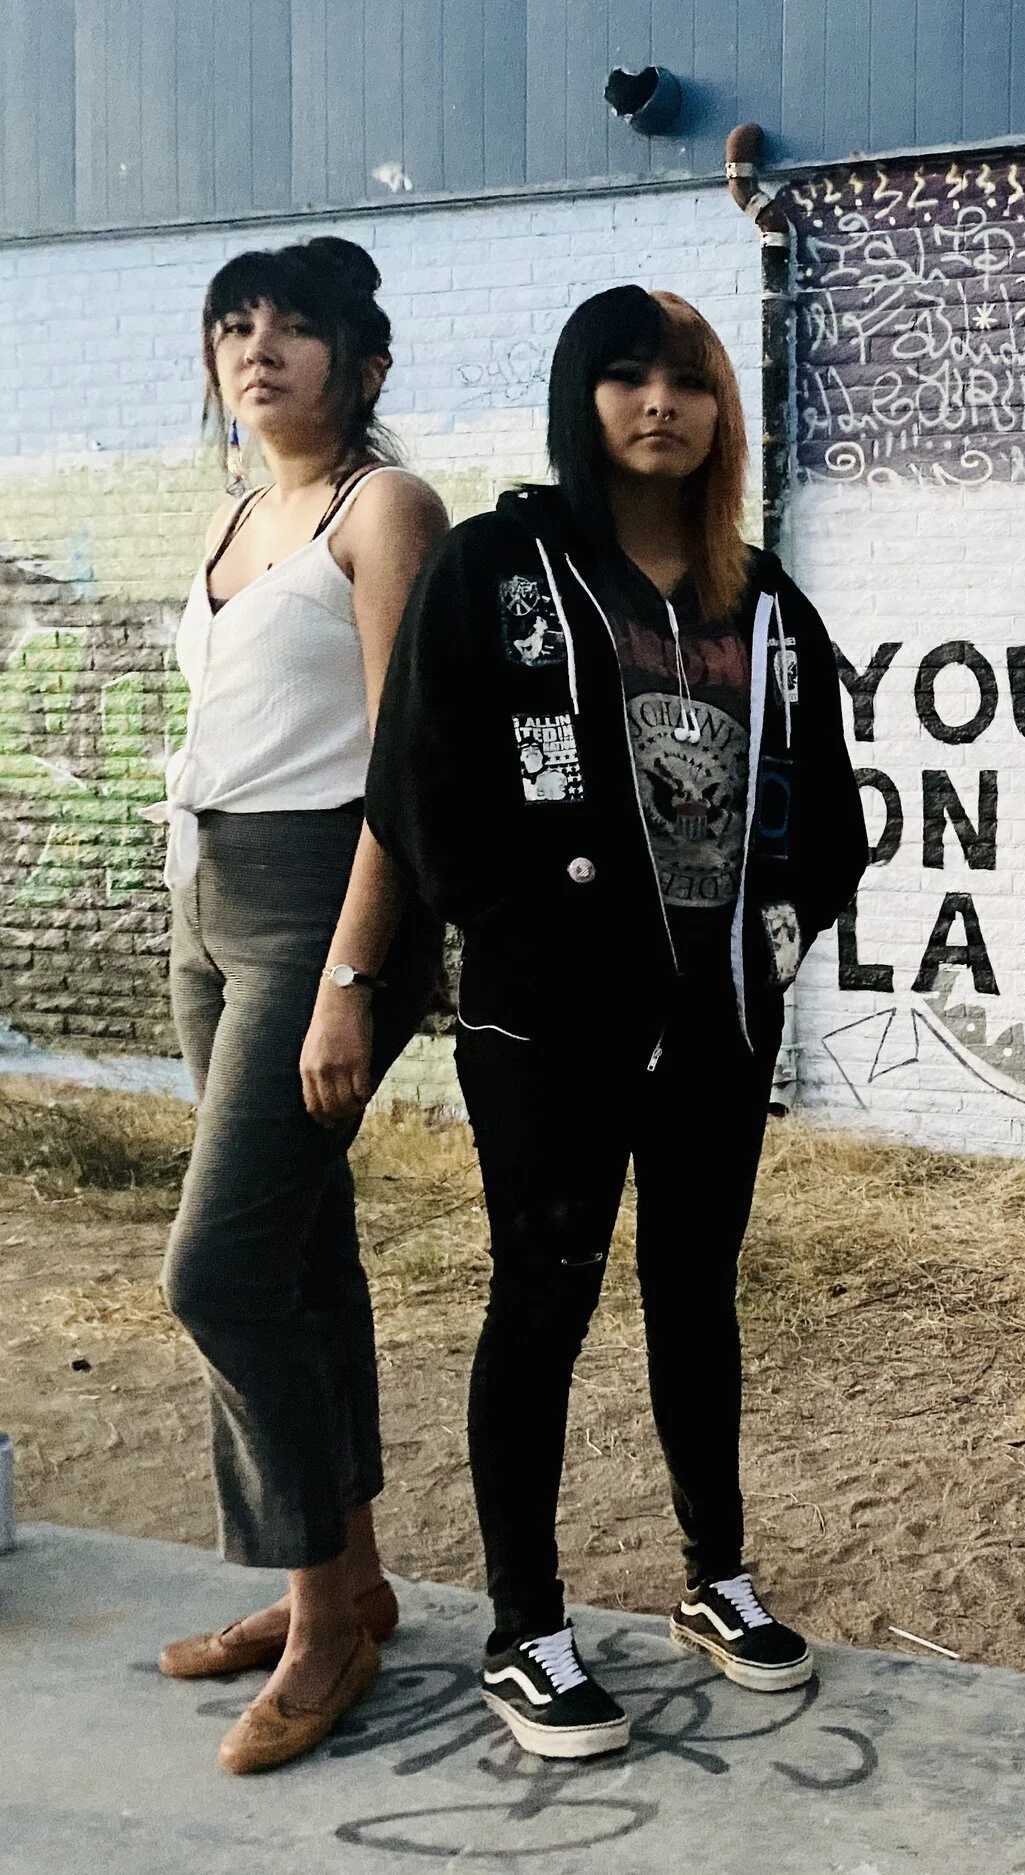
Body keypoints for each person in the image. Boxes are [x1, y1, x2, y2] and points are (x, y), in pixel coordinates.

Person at [368, 287, 869, 1758]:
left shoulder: (763, 600)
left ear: (723, 412)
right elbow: (419, 784)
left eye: (690, 381)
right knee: (545, 1300)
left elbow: (828, 807)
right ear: (579, 400)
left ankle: (715, 1576)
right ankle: (528, 1628)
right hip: (549, 1031)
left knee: (696, 1292)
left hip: (717, 1022)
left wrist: (783, 930)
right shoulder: (498, 570)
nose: (661, 403)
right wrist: (518, 941)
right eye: (626, 376)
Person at [152, 237, 449, 1774]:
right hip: (212, 901)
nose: (259, 349)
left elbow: (405, 766)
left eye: (296, 328)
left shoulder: (381, 508)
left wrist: (347, 980)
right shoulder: (235, 512)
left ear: (364, 363)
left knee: (215, 1268)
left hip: (324, 911)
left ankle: (330, 1616)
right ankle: (337, 1579)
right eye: (236, 325)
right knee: (300, 1257)